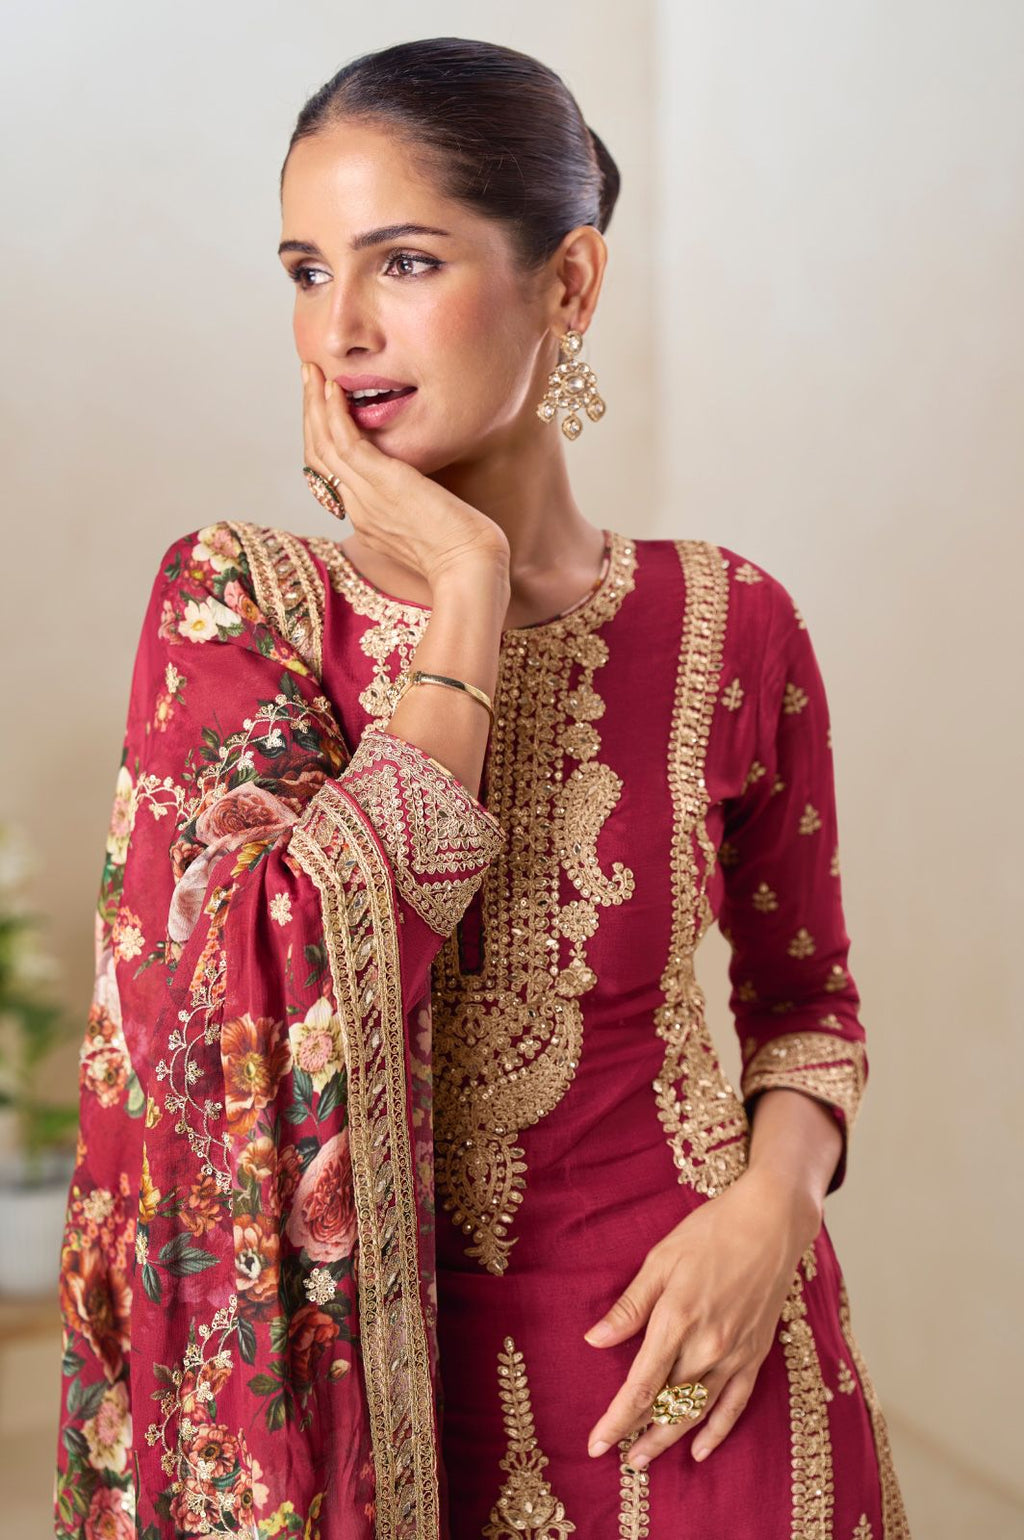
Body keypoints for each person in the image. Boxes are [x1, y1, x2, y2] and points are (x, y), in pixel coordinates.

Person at [52, 34, 910, 1540]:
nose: (342, 333)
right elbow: (272, 996)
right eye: (307, 273)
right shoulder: (234, 612)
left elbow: (808, 1004)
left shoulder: (733, 621)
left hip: (698, 1373)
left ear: (568, 285)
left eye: (402, 264)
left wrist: (771, 1214)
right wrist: (463, 584)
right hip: (350, 1429)